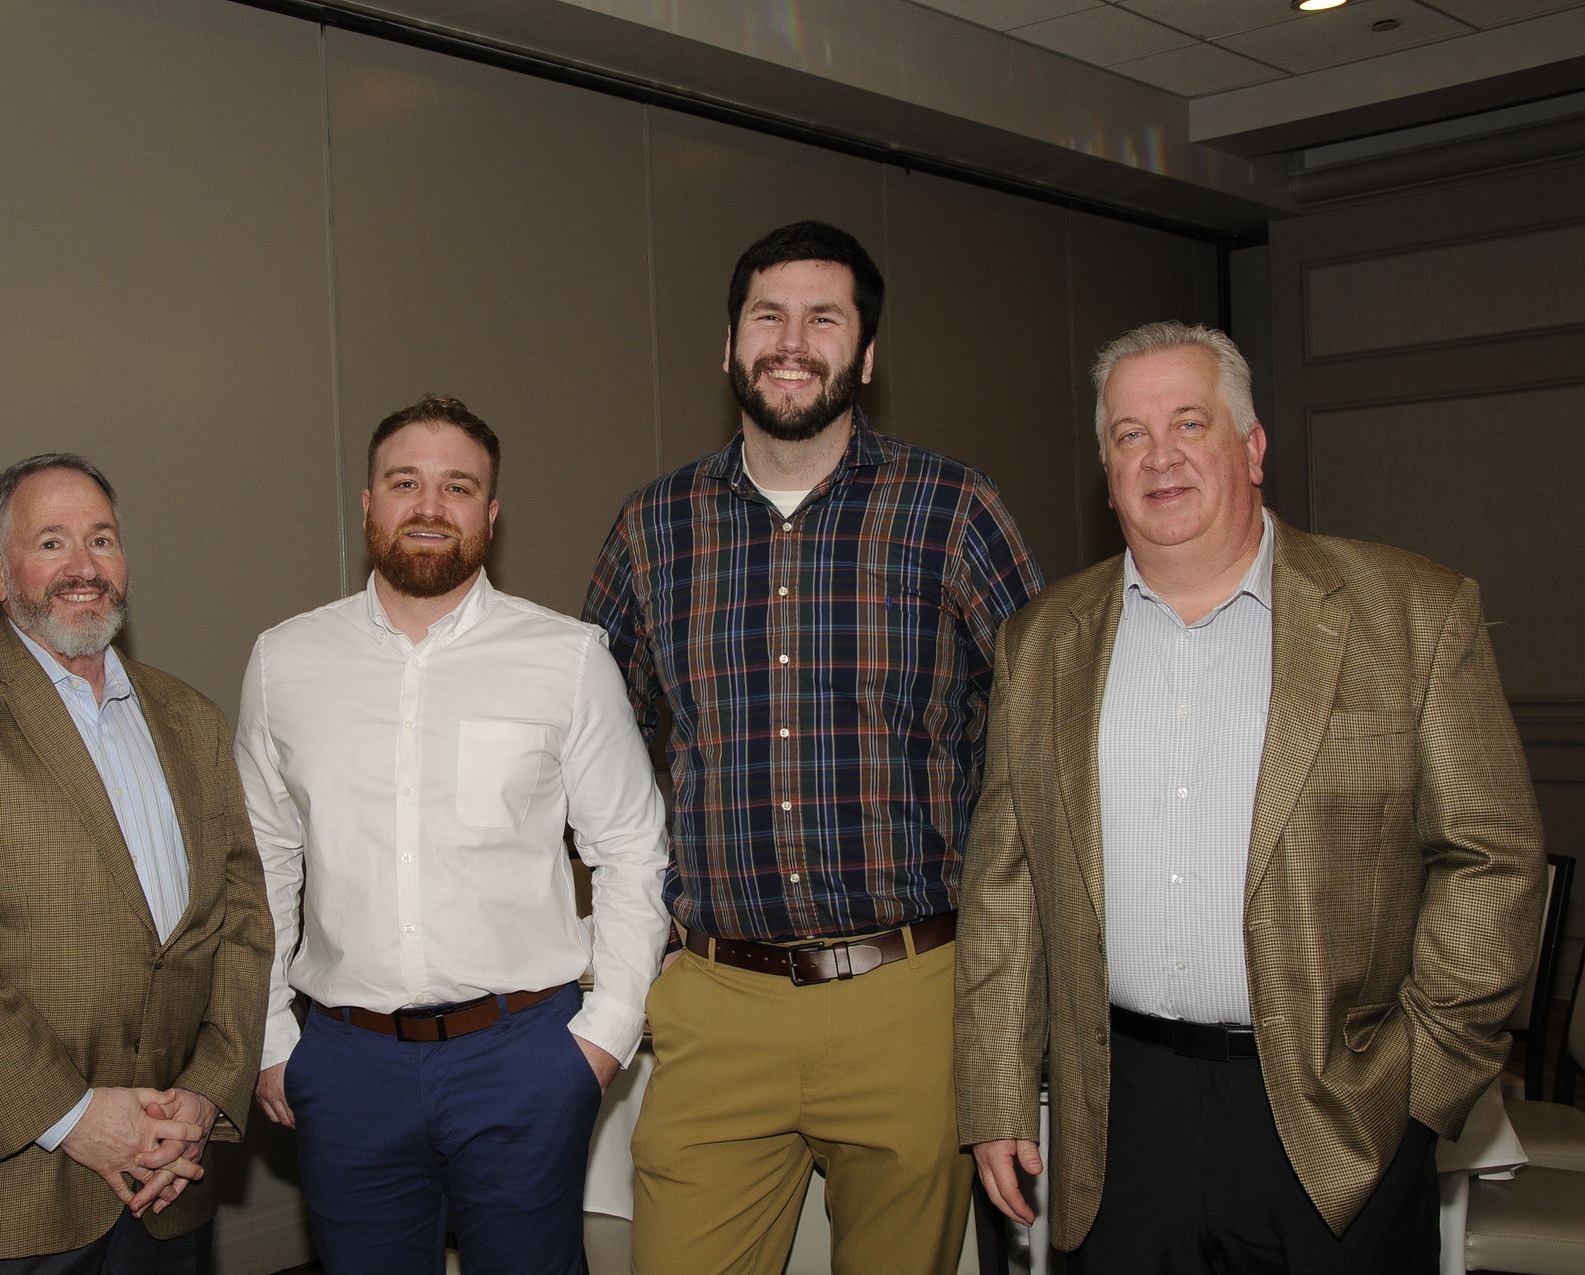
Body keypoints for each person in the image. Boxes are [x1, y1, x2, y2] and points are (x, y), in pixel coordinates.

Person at [956, 320, 1546, 1272]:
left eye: (1190, 422)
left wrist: (1419, 1086)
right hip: (1117, 1121)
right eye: (1129, 435)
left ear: (1253, 446)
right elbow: (1003, 884)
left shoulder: (1410, 612)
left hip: (1336, 1113)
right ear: (1106, 468)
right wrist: (994, 1095)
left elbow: (1493, 858)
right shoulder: (1041, 641)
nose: (1160, 457)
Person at [584, 221, 1044, 1273]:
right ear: (730, 344)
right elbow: (593, 749)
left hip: (910, 1000)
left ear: (866, 356)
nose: (792, 342)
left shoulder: (952, 508)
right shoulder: (654, 526)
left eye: (823, 319)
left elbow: (1040, 736)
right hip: (715, 1002)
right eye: (768, 316)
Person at [239, 395, 669, 1275]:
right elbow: (261, 862)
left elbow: (631, 848)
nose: (430, 506)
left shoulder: (568, 658)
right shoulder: (285, 661)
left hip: (525, 1058)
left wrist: (603, 1037)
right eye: (406, 482)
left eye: (458, 486)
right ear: (368, 504)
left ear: (491, 514)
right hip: (346, 1065)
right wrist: (275, 1042)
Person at [0, 453, 273, 1272]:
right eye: (52, 542)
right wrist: (73, 1114)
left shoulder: (192, 717)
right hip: (10, 1194)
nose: (84, 566)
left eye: (102, 539)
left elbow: (243, 923)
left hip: (169, 1183)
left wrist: (202, 1095)